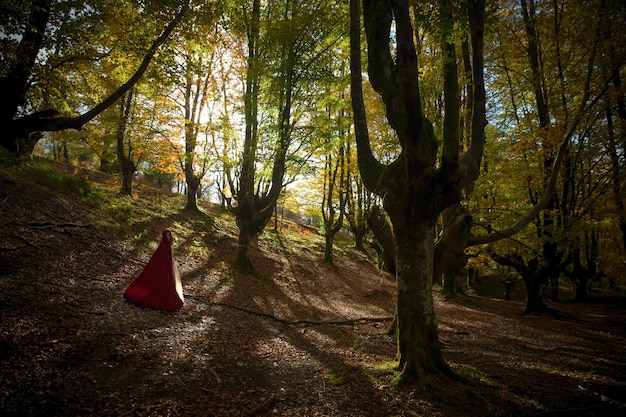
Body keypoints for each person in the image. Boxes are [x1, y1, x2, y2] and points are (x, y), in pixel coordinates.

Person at [123, 229, 184, 312]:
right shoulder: (162, 246)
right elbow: (158, 258)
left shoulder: (169, 246)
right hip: (161, 268)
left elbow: (170, 258)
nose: (168, 237)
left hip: (167, 268)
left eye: (169, 235)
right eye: (167, 235)